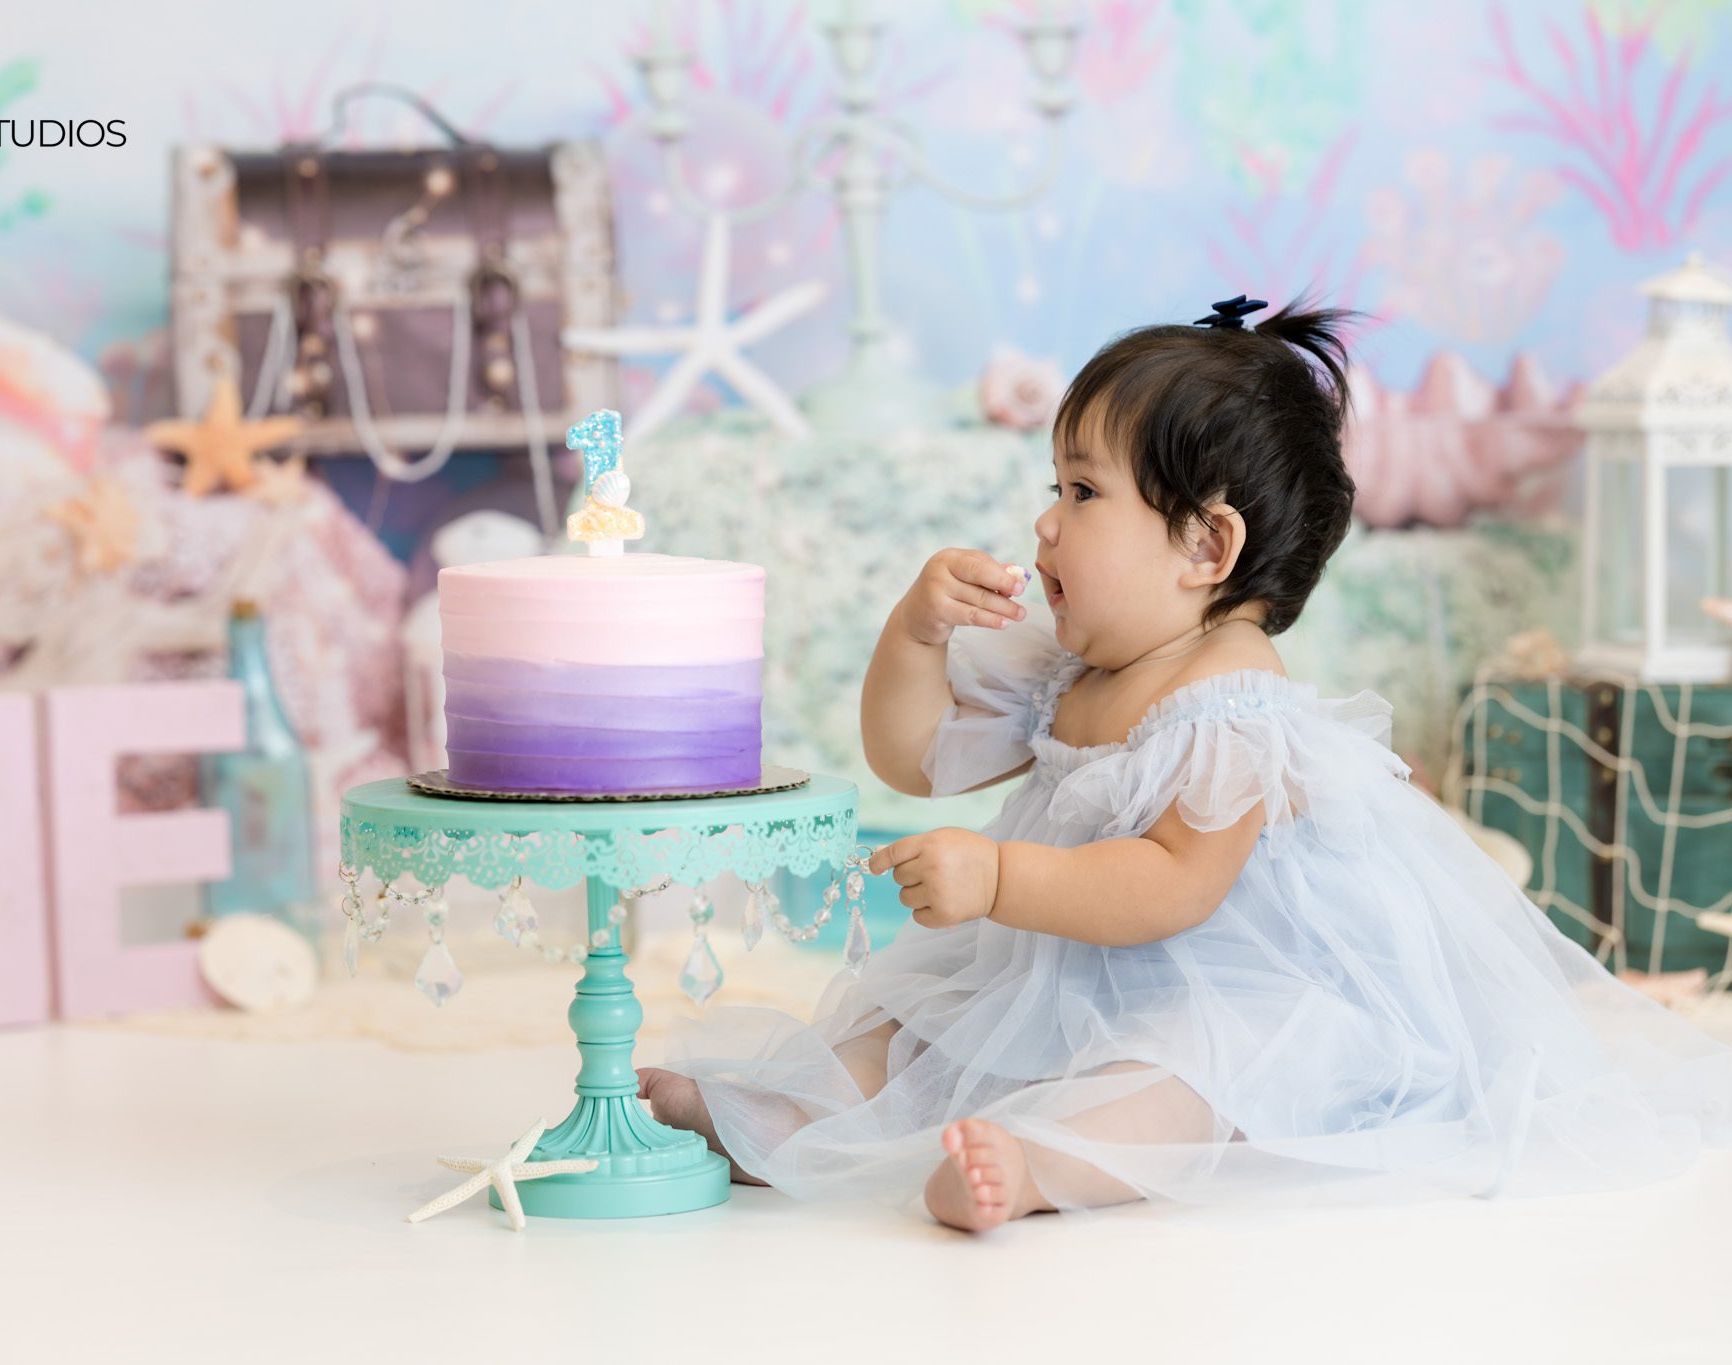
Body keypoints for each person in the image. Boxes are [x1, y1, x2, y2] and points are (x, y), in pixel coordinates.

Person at [636, 295, 1732, 1231]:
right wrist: (911, 636)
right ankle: (777, 1117)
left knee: (1184, 1076)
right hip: (1057, 972)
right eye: (1051, 488)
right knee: (909, 1020)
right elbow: (910, 758)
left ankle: (1034, 1169)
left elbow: (1170, 884)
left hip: (1245, 988)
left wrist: (1000, 878)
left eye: (1079, 492)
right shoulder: (1070, 667)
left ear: (1205, 548)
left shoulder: (1232, 703)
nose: (1042, 523)